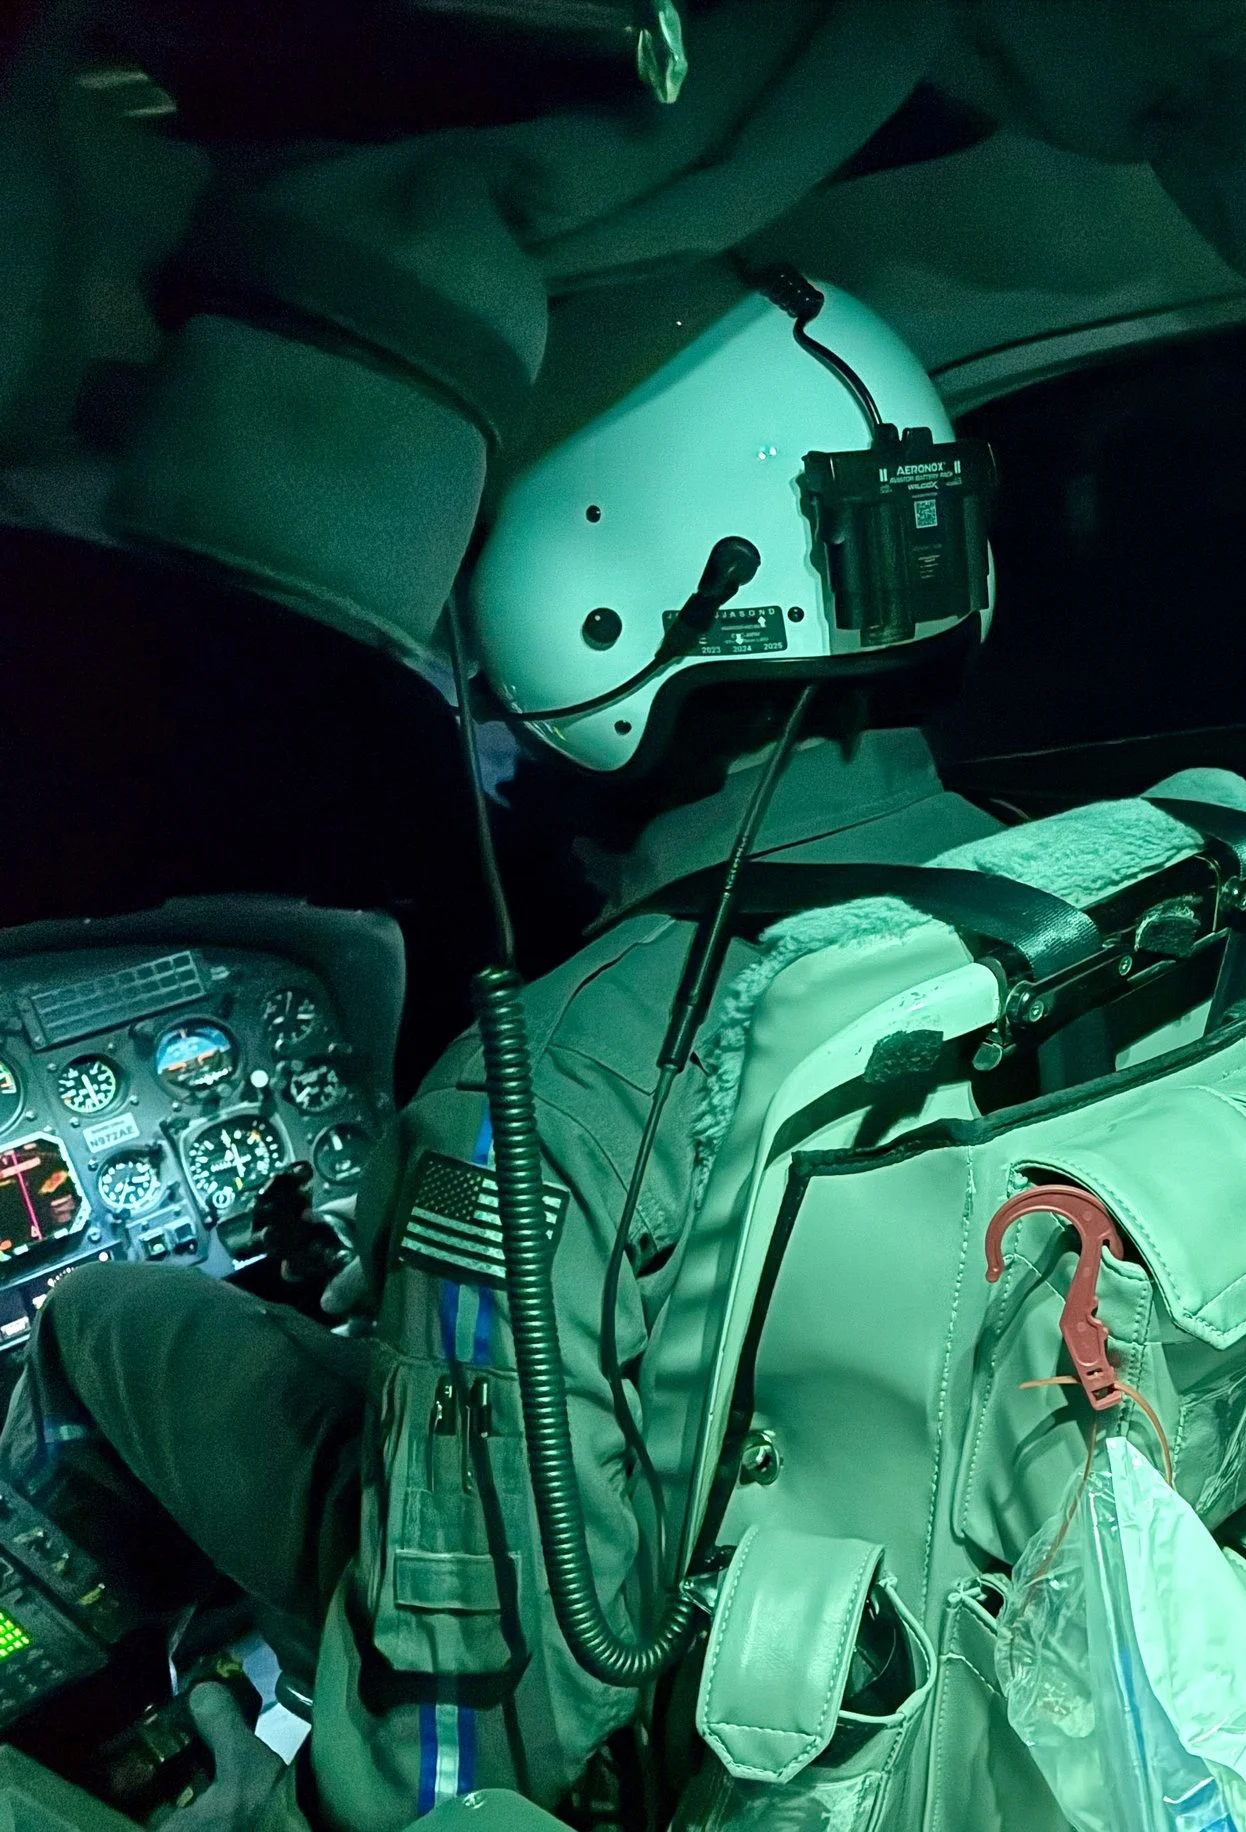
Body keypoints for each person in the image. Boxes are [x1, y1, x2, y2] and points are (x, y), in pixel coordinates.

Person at [0, 280, 1006, 1832]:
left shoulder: (543, 1093)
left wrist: (261, 1808)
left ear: (587, 588)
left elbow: (460, 1761)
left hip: (689, 1690)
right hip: (914, 1577)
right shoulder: (1073, 886)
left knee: (100, 1314)